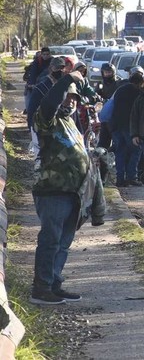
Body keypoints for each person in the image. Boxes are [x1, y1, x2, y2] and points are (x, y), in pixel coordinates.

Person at [30, 71, 106, 305]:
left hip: (75, 193)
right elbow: (50, 102)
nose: (71, 102)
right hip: (53, 191)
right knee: (50, 239)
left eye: (74, 99)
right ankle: (41, 288)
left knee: (63, 243)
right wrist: (66, 80)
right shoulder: (46, 119)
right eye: (68, 98)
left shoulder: (71, 123)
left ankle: (54, 283)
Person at [109, 71, 144, 187]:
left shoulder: (120, 90)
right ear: (139, 83)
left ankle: (120, 178)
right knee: (136, 150)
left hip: (116, 125)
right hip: (129, 126)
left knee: (120, 151)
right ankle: (132, 177)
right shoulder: (137, 92)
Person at [26, 57, 67, 160]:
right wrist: (31, 129)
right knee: (42, 158)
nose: (59, 71)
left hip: (60, 129)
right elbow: (31, 110)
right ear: (51, 69)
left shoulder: (66, 87)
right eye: (57, 68)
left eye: (62, 68)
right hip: (42, 128)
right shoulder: (41, 87)